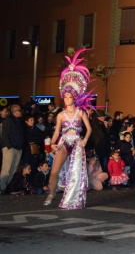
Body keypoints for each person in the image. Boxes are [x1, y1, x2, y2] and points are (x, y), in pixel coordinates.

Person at [44, 48, 94, 209]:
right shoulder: (60, 115)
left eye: (69, 96)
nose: (66, 99)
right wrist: (52, 143)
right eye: (65, 97)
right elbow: (57, 132)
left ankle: (71, 200)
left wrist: (84, 140)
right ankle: (51, 194)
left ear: (74, 97)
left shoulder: (81, 113)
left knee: (75, 174)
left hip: (77, 144)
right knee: (54, 171)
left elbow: (89, 129)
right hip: (65, 142)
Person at [1, 104, 24, 192]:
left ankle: (8, 188)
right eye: (19, 111)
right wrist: (9, 146)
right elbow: (4, 134)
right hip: (10, 148)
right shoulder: (8, 120)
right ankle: (2, 188)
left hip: (17, 148)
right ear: (15, 112)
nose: (21, 112)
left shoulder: (18, 121)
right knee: (6, 169)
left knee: (13, 170)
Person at [22, 115, 45, 183]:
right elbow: (25, 139)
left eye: (33, 120)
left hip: (34, 152)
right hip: (27, 152)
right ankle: (25, 183)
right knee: (26, 167)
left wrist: (34, 141)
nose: (33, 121)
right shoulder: (24, 129)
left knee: (33, 168)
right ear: (26, 121)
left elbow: (40, 138)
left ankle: (31, 183)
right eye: (31, 120)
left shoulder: (36, 129)